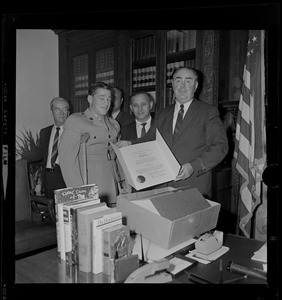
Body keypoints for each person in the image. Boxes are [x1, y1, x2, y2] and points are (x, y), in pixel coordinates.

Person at [117, 67, 228, 198]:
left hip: (193, 185)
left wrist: (194, 166)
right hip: (163, 186)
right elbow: (150, 139)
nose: (182, 86)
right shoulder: (163, 113)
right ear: (173, 85)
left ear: (196, 86)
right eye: (178, 81)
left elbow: (220, 146)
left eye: (188, 81)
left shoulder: (208, 112)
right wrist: (130, 143)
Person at [58, 82, 126, 205]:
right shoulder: (76, 121)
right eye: (101, 98)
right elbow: (67, 161)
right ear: (90, 99)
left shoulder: (114, 124)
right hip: (90, 183)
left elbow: (116, 157)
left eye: (109, 99)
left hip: (112, 182)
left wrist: (124, 181)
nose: (106, 103)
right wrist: (78, 192)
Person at [20, 97, 70, 199]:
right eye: (57, 109)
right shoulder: (45, 132)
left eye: (65, 109)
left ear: (68, 112)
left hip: (65, 178)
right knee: (50, 210)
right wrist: (21, 156)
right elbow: (40, 152)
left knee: (64, 211)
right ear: (51, 111)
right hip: (48, 178)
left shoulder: (73, 132)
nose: (62, 113)